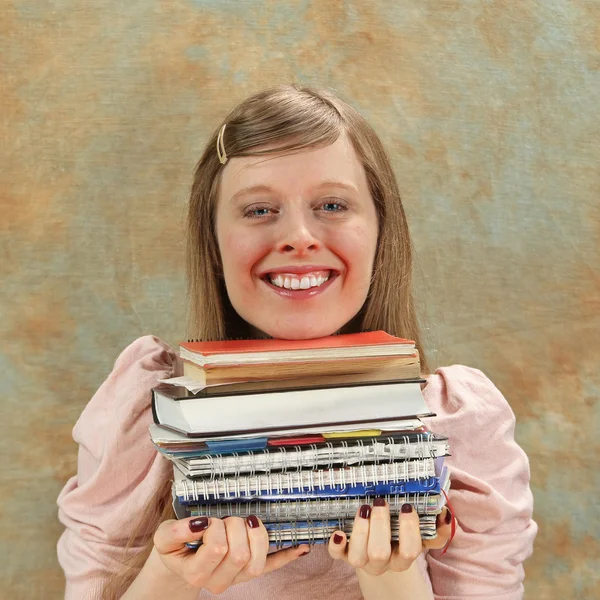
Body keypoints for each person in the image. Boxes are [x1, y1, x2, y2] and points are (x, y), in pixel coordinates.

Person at [56, 84, 537, 600]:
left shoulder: (465, 429)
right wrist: (170, 578)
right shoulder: (141, 414)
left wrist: (391, 575)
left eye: (332, 204)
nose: (299, 237)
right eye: (259, 210)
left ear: (381, 231)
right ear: (214, 244)